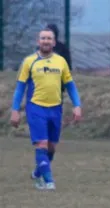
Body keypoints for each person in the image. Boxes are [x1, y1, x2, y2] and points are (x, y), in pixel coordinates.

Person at [11, 27, 82, 190]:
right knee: (41, 144)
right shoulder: (29, 61)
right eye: (43, 38)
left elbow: (70, 85)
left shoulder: (61, 62)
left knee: (51, 147)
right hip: (36, 108)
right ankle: (48, 182)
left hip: (56, 108)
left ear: (54, 42)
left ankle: (38, 171)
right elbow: (20, 88)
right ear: (38, 41)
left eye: (49, 38)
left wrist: (77, 105)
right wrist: (15, 110)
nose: (46, 41)